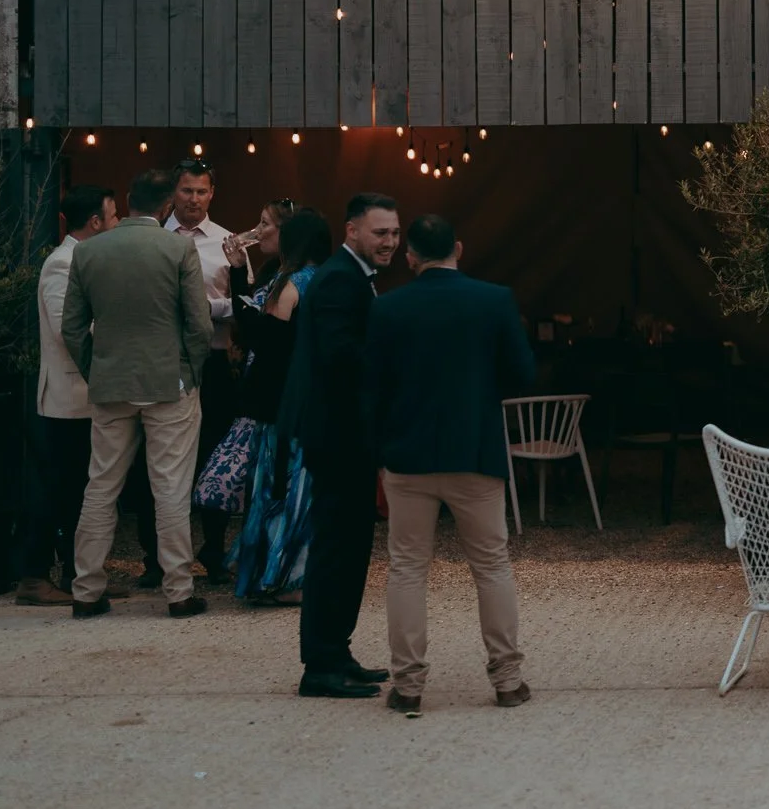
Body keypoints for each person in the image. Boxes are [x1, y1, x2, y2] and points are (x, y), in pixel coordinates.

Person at [364, 214, 538, 714]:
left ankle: (409, 684)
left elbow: (372, 390)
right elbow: (522, 375)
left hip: (407, 454)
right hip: (475, 450)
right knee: (491, 565)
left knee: (407, 569)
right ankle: (507, 679)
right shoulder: (494, 300)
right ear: (458, 248)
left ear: (410, 255)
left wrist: (379, 452)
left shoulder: (389, 309)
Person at [63, 170, 214, 619]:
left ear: (127, 201)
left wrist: (96, 369)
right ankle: (179, 591)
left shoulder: (88, 252)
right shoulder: (177, 247)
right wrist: (189, 371)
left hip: (111, 384)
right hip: (169, 383)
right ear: (166, 206)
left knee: (101, 486)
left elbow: (72, 327)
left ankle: (86, 589)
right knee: (170, 486)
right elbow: (200, 323)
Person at [279, 192, 403, 699]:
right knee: (336, 549)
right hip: (338, 437)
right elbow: (342, 360)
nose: (390, 242)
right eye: (380, 233)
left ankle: (337, 651)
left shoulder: (350, 277)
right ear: (352, 231)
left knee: (351, 549)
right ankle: (321, 665)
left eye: (395, 233)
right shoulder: (337, 281)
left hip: (346, 436)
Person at [14, 186, 117, 605]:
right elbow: (67, 330)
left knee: (80, 487)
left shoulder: (86, 259)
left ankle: (81, 576)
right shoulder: (62, 265)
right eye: (112, 217)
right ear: (94, 222)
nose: (115, 223)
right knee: (62, 488)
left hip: (84, 396)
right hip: (68, 397)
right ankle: (36, 578)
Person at [226, 206, 331, 603]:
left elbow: (264, 342)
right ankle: (301, 572)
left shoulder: (290, 283)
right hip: (316, 399)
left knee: (277, 486)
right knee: (307, 488)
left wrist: (241, 288)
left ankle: (279, 575)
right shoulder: (328, 280)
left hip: (283, 401)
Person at [166, 158, 240, 572]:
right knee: (164, 456)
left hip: (213, 361)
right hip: (166, 360)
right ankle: (158, 557)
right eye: (186, 190)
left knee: (214, 453)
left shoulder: (228, 242)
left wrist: (200, 308)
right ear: (173, 193)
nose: (194, 199)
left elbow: (241, 302)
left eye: (201, 191)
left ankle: (212, 546)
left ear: (212, 194)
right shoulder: (155, 238)